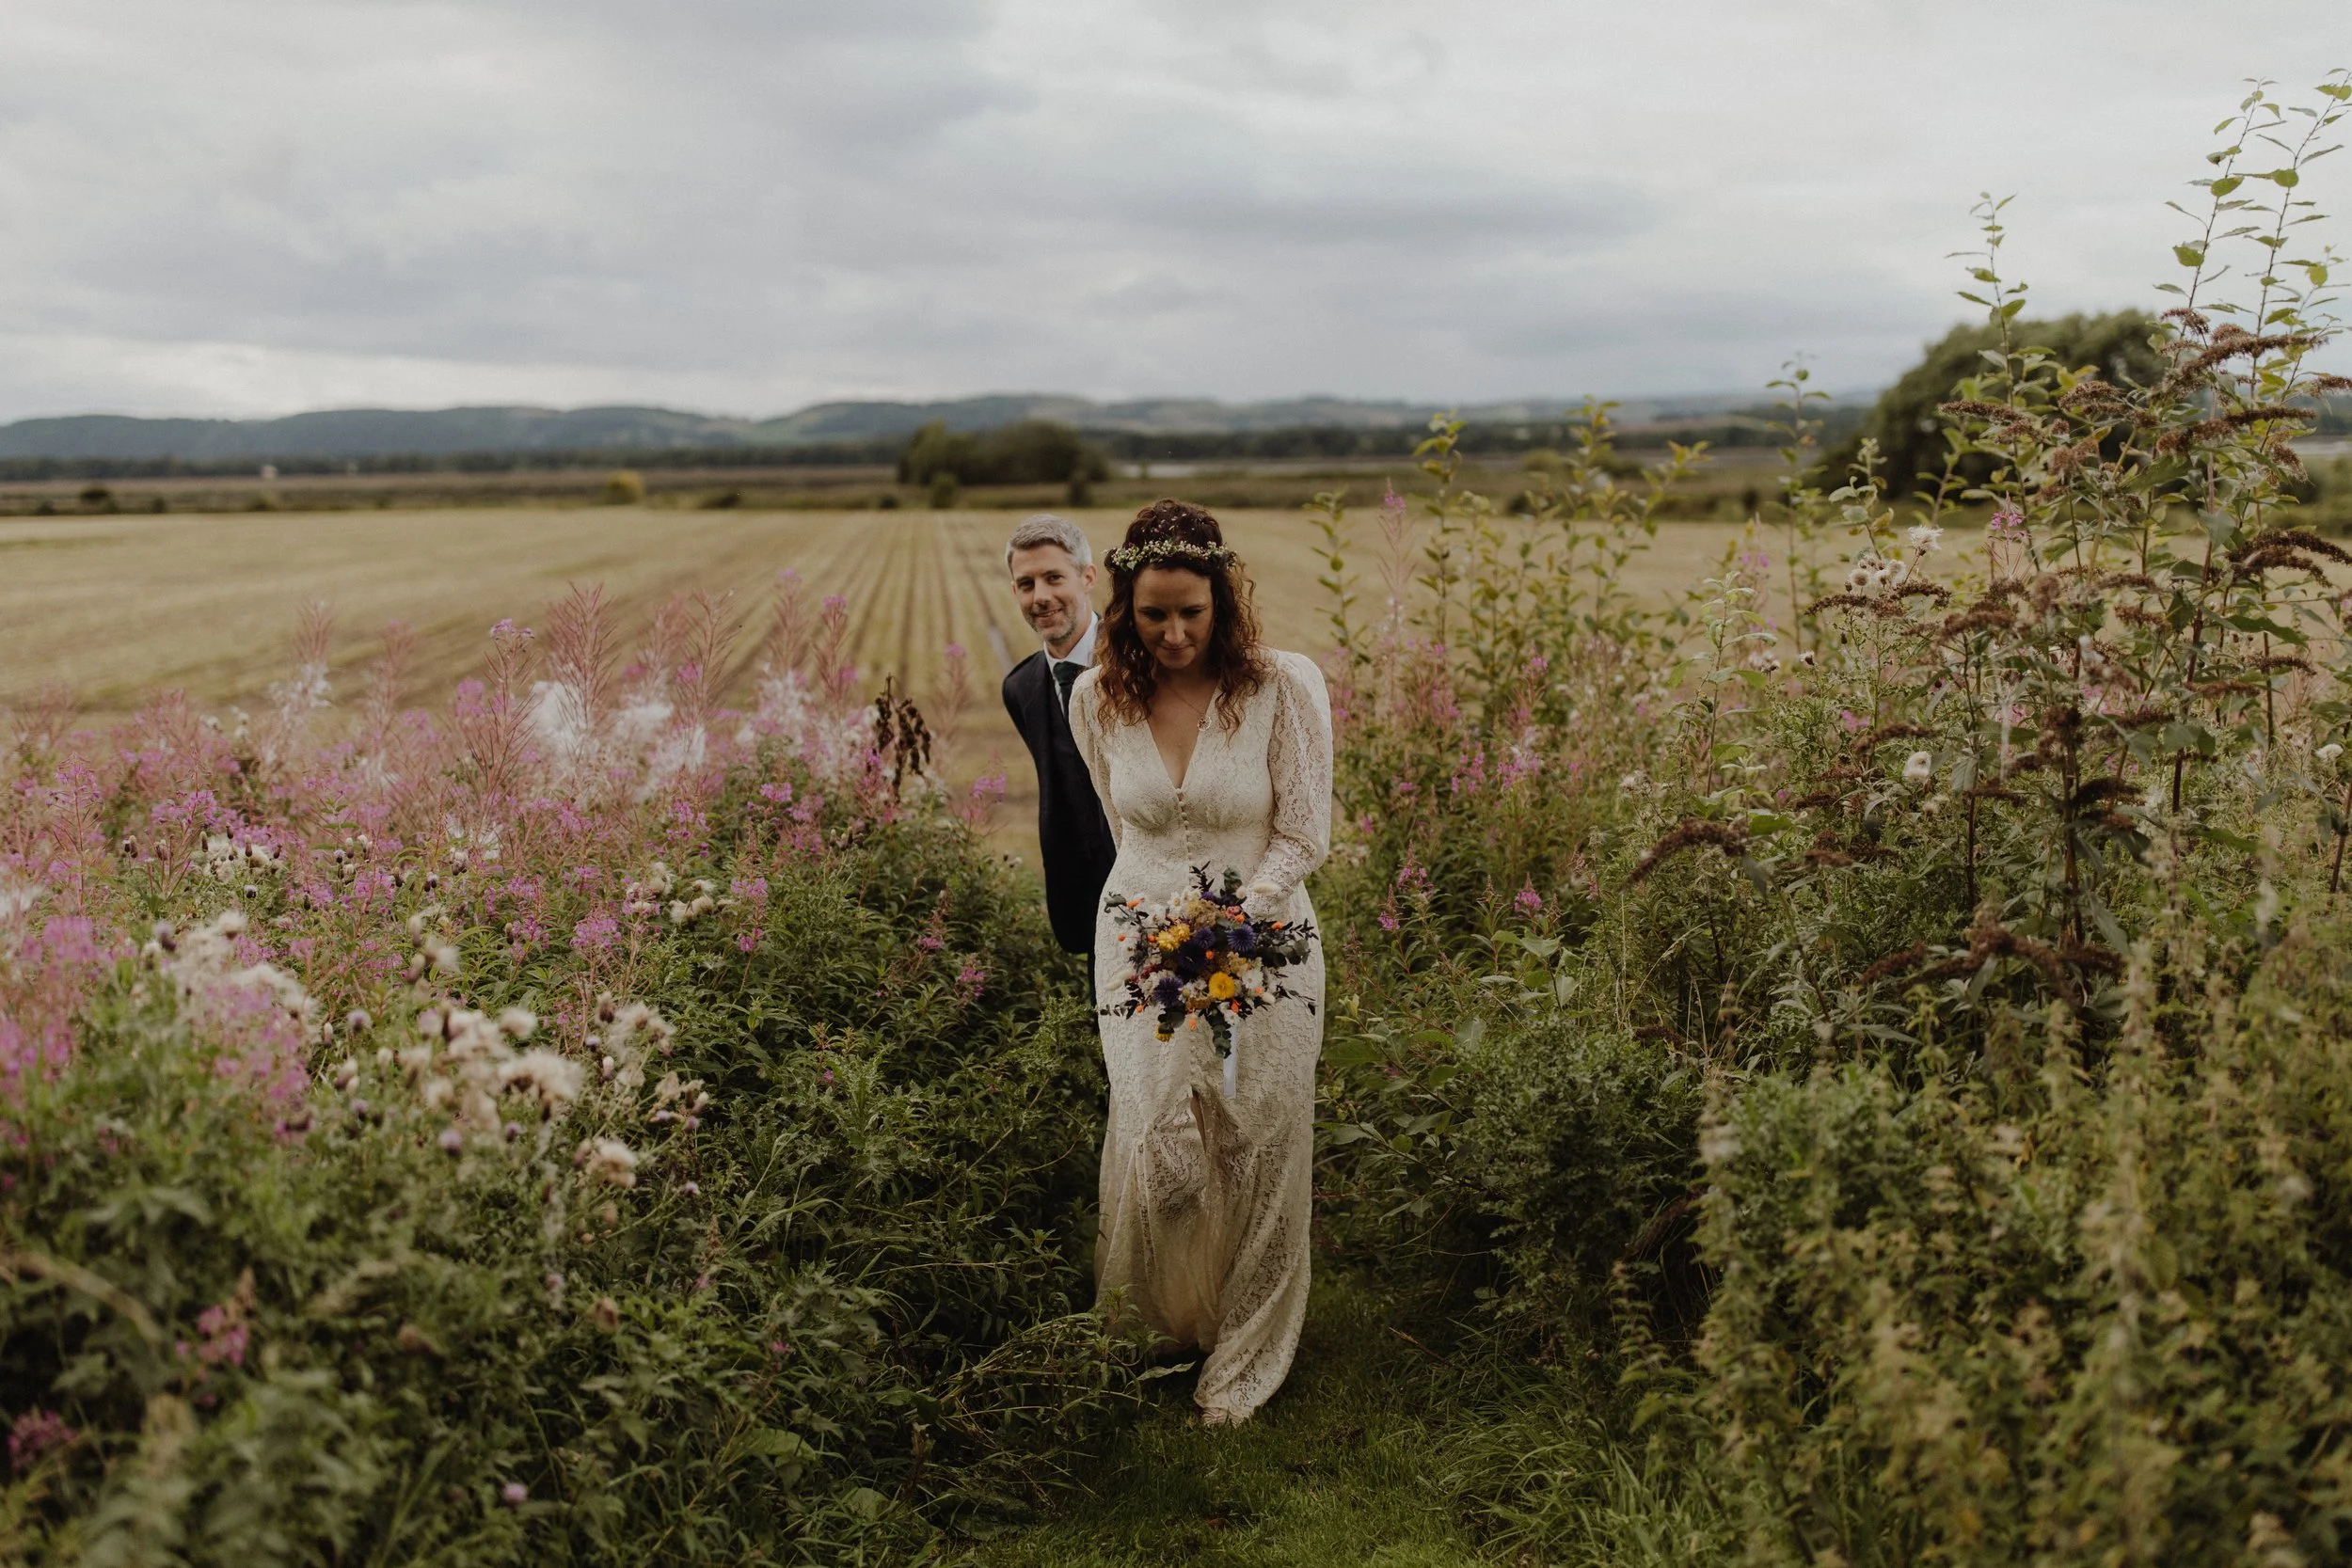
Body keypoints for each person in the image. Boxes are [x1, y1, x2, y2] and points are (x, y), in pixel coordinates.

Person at [1067, 499, 1331, 1426]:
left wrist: (1236, 921)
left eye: (1192, 610)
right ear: (1124, 609)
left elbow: (1303, 830)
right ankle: (1159, 1324)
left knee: (1259, 1130)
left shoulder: (1278, 686)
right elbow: (1122, 826)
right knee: (1153, 1130)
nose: (1175, 632)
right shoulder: (1094, 695)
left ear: (1222, 598)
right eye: (1154, 614)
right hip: (1136, 943)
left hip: (1269, 939)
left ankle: (1245, 1349)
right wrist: (1165, 927)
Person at [1001, 514, 1119, 958]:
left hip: (1164, 901)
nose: (1041, 597)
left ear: (1087, 577)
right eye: (1027, 584)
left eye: (1054, 578)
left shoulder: (1140, 661)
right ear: (1015, 592)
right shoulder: (1020, 689)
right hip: (1085, 912)